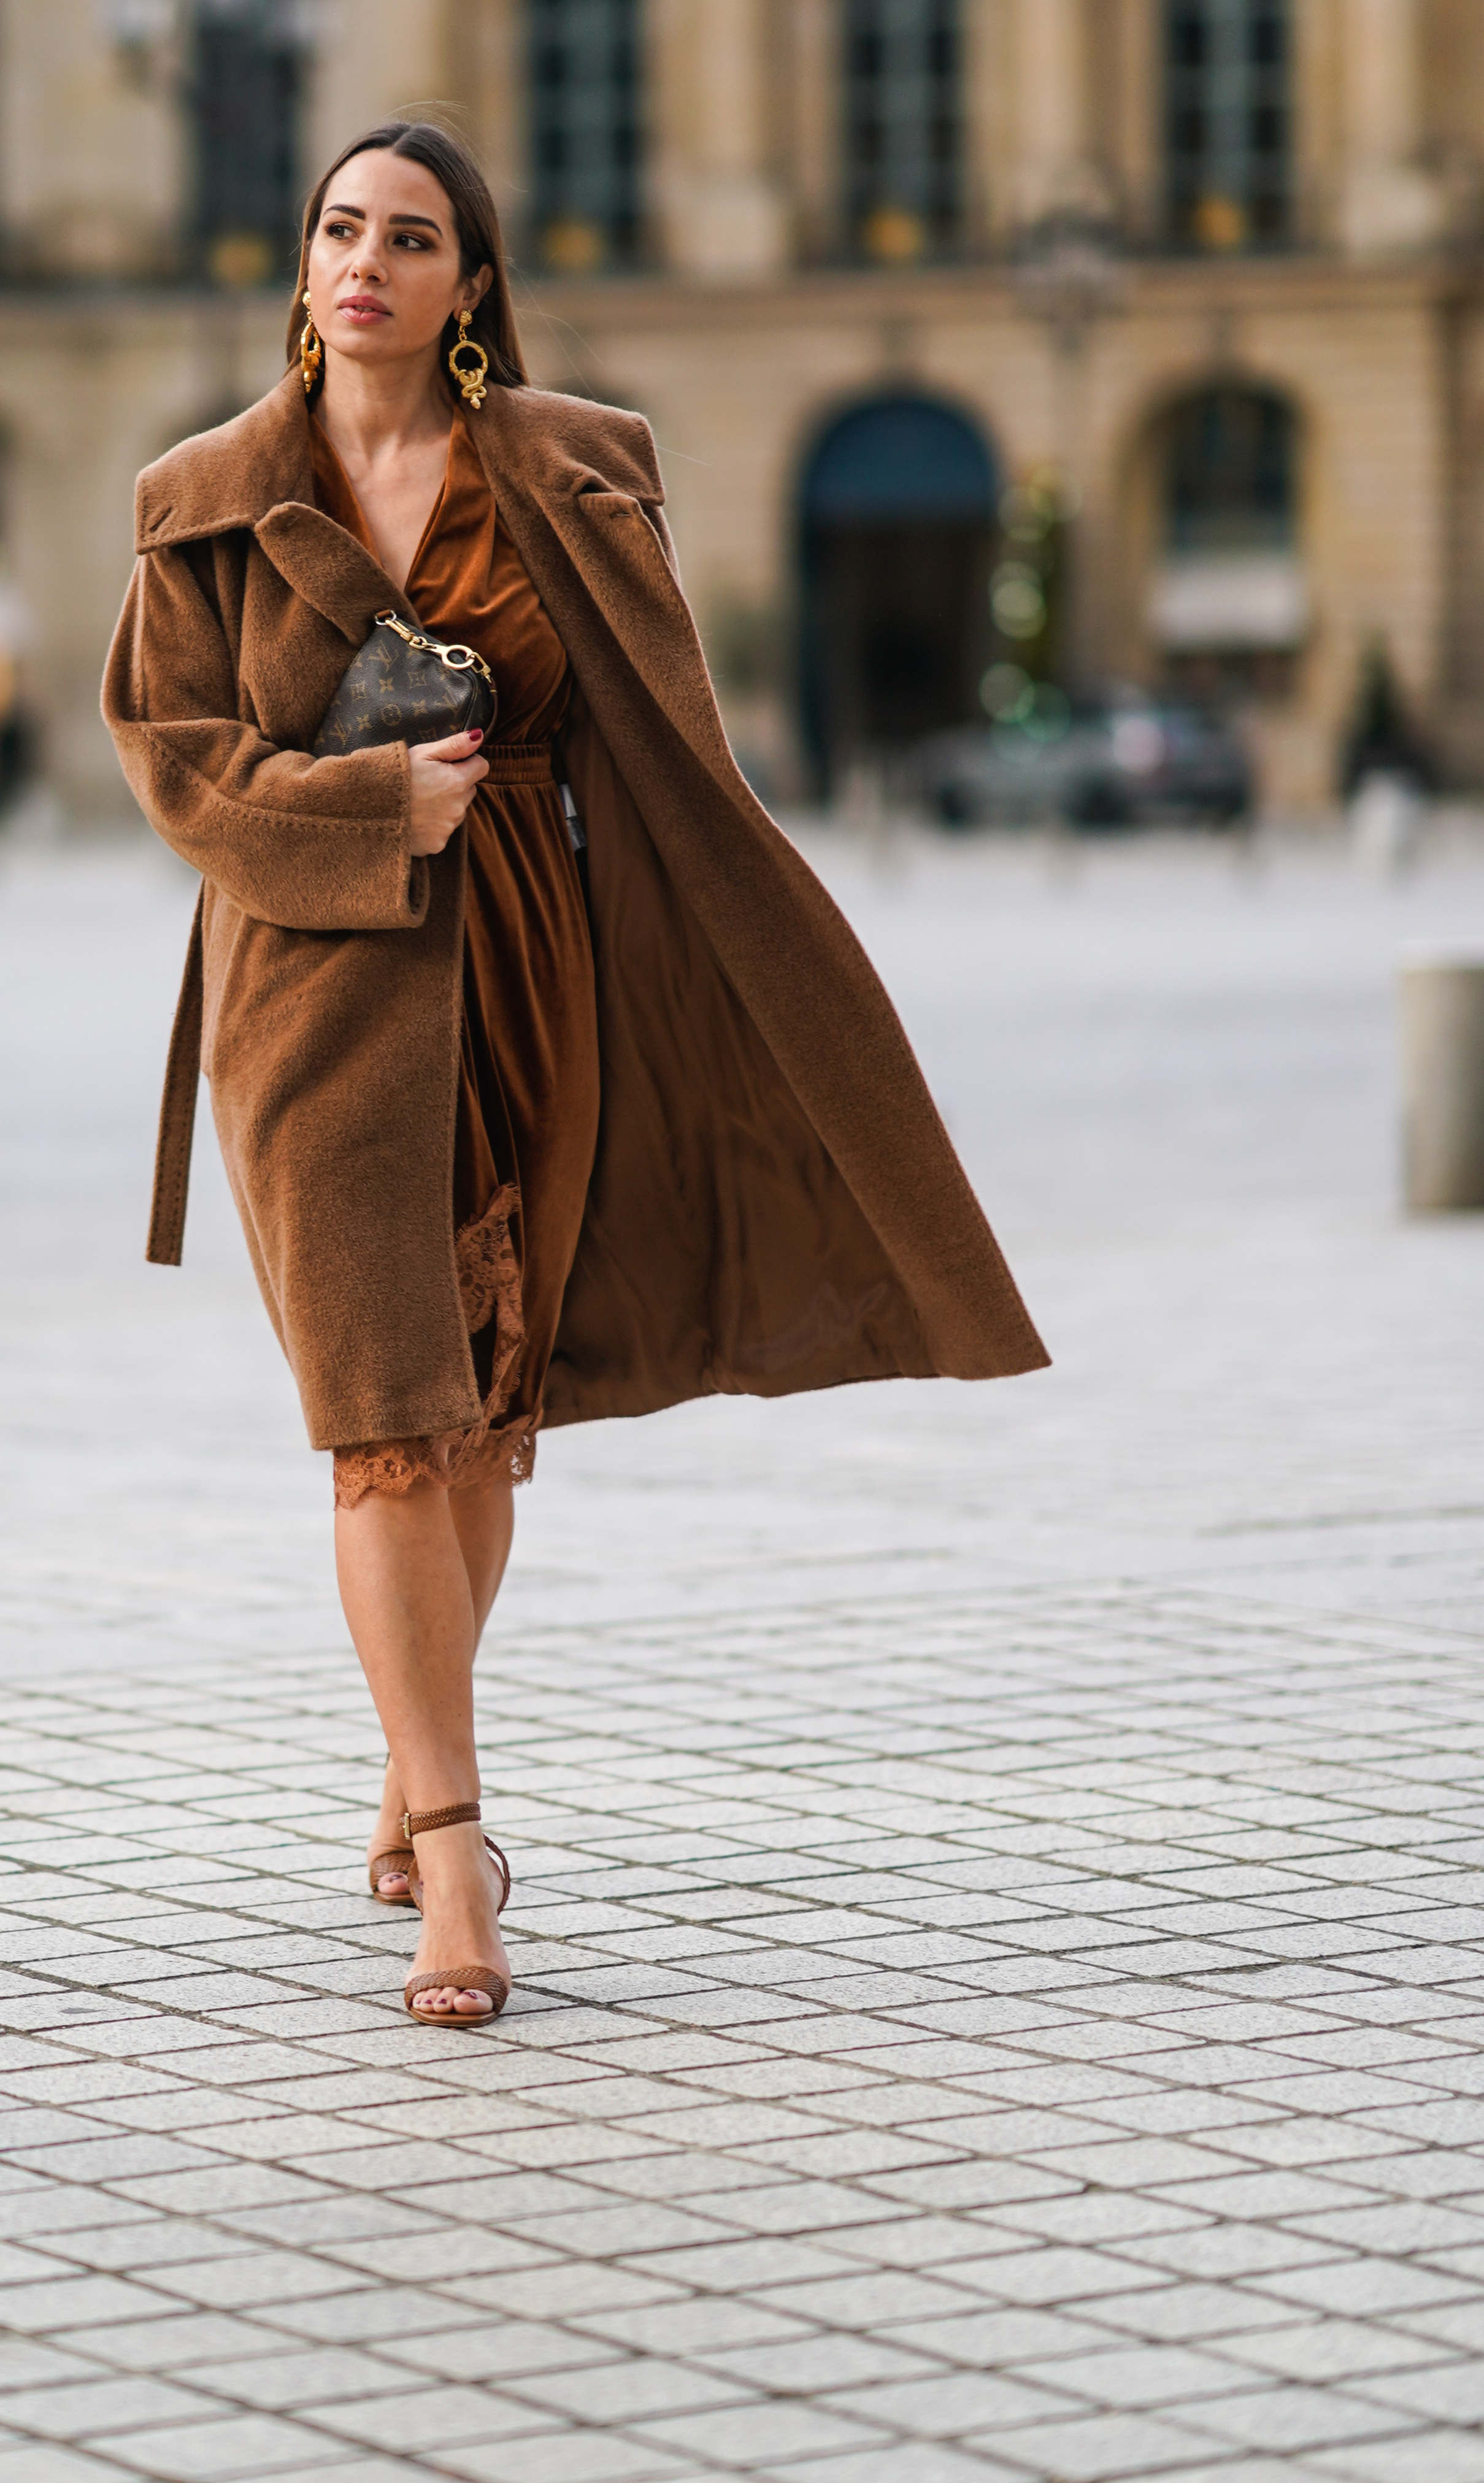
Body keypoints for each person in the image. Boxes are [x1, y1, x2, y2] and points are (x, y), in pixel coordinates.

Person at [103, 121, 1046, 2029]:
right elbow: (173, 757)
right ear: (302, 263)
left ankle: (409, 1749)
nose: (364, 262)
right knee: (382, 1419)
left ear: (471, 284)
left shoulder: (577, 468)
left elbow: (670, 749)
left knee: (479, 1419)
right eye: (339, 227)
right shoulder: (199, 497)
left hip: (534, 972)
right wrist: (367, 803)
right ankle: (459, 1860)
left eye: (412, 237)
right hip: (313, 992)